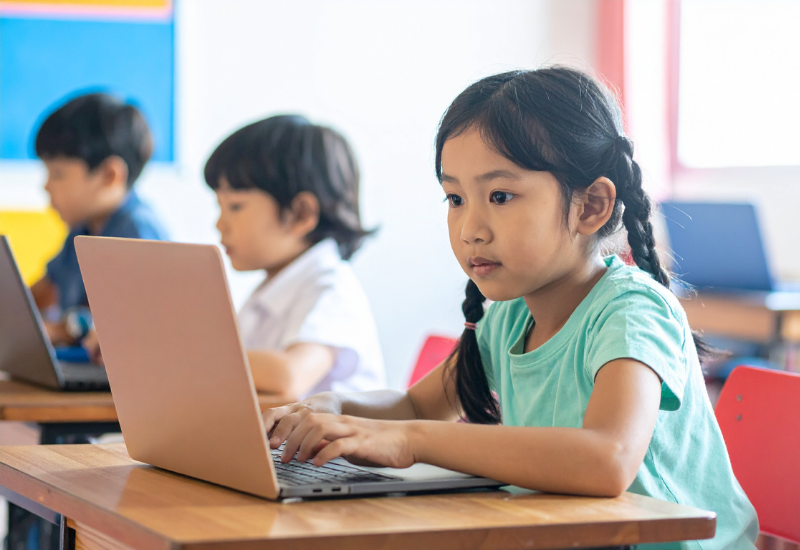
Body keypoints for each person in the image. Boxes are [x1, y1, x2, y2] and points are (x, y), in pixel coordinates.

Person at [261, 69, 758, 549]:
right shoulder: (508, 317)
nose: (469, 228)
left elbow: (607, 459)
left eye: (500, 195)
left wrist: (410, 440)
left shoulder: (631, 311)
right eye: (454, 198)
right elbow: (416, 406)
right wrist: (336, 407)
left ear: (590, 206)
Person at [204, 115, 385, 399]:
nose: (219, 224)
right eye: (220, 206)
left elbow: (289, 376)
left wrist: (189, 353)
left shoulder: (331, 288)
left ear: (301, 214)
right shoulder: (268, 290)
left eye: (235, 206)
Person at [30, 92, 168, 356]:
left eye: (58, 173)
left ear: (109, 175)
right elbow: (42, 292)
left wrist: (60, 330)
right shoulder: (81, 231)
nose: (46, 186)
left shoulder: (137, 232)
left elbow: (142, 323)